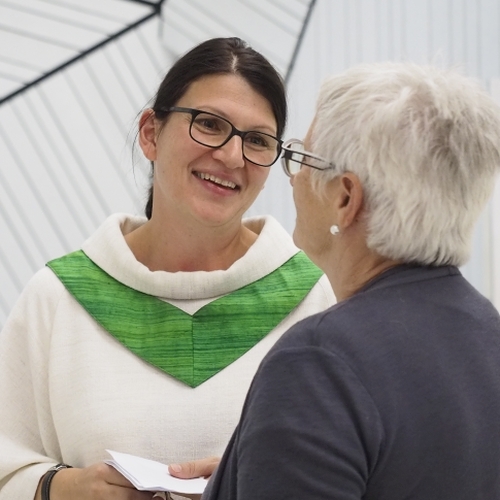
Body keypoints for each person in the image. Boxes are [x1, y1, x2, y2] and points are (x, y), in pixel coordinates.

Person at [0, 37, 334, 500]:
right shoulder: (58, 300)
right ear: (150, 133)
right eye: (210, 124)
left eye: (257, 140)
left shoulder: (316, 303)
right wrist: (64, 487)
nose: (232, 156)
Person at [202, 62, 500, 499]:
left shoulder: (318, 363)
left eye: (303, 159)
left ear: (345, 198)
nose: (295, 180)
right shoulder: (488, 336)